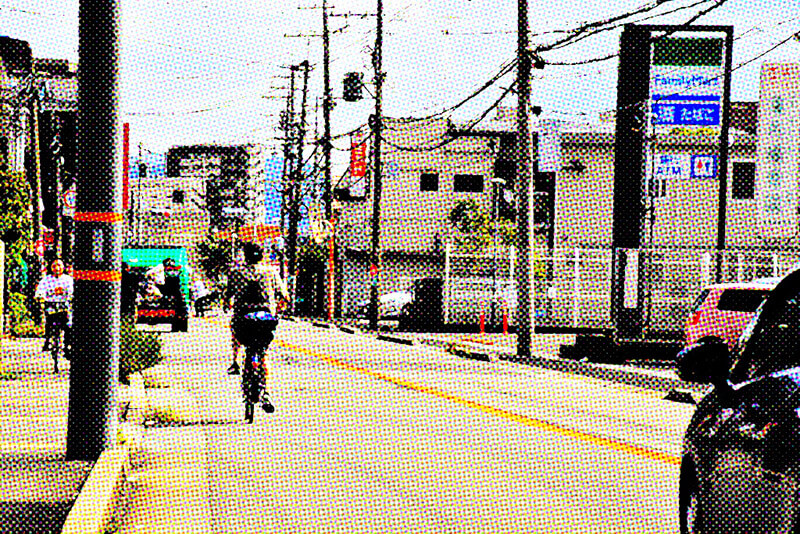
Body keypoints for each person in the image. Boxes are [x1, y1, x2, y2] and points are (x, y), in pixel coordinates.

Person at [226, 242, 289, 412]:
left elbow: (228, 295)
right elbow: (285, 296)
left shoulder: (236, 272)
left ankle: (234, 361)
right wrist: (279, 308)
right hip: (266, 320)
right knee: (263, 354)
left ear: (245, 256)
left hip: (243, 320)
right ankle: (266, 392)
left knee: (234, 328)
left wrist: (227, 303)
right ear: (263, 256)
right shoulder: (272, 272)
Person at [35, 259, 74, 369]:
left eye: (59, 266)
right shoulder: (46, 280)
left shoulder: (68, 280)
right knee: (50, 325)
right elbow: (39, 292)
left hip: (64, 305)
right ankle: (49, 341)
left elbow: (72, 292)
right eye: (54, 266)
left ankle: (67, 346)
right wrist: (41, 297)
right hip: (51, 305)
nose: (57, 268)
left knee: (68, 326)